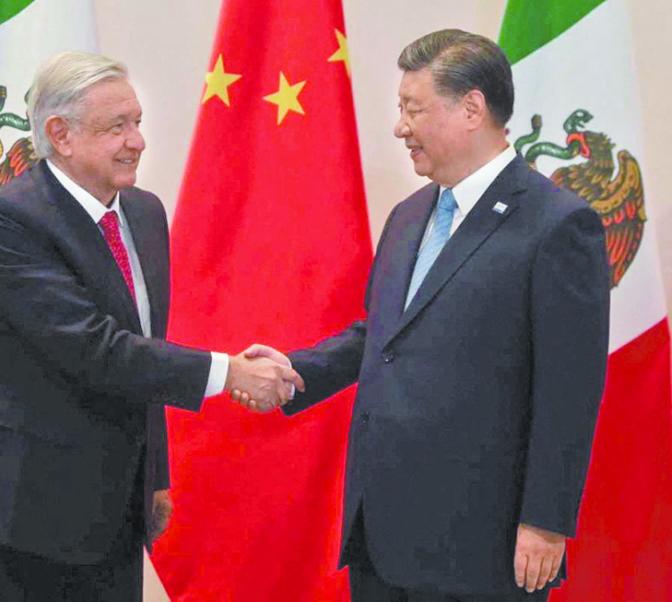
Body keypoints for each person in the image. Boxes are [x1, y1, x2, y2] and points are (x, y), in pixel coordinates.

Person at [236, 29, 610, 601]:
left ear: (471, 108)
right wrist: (295, 368)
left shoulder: (557, 225)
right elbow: (384, 336)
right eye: (399, 109)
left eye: (413, 109)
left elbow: (570, 390)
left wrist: (546, 521)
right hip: (382, 530)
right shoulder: (410, 215)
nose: (399, 127)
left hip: (481, 541)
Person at [0, 51, 303, 602]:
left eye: (137, 122)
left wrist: (152, 475)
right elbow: (94, 349)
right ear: (60, 134)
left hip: (111, 507)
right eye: (117, 127)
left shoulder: (146, 213)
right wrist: (229, 373)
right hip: (15, 507)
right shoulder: (13, 219)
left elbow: (142, 351)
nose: (138, 140)